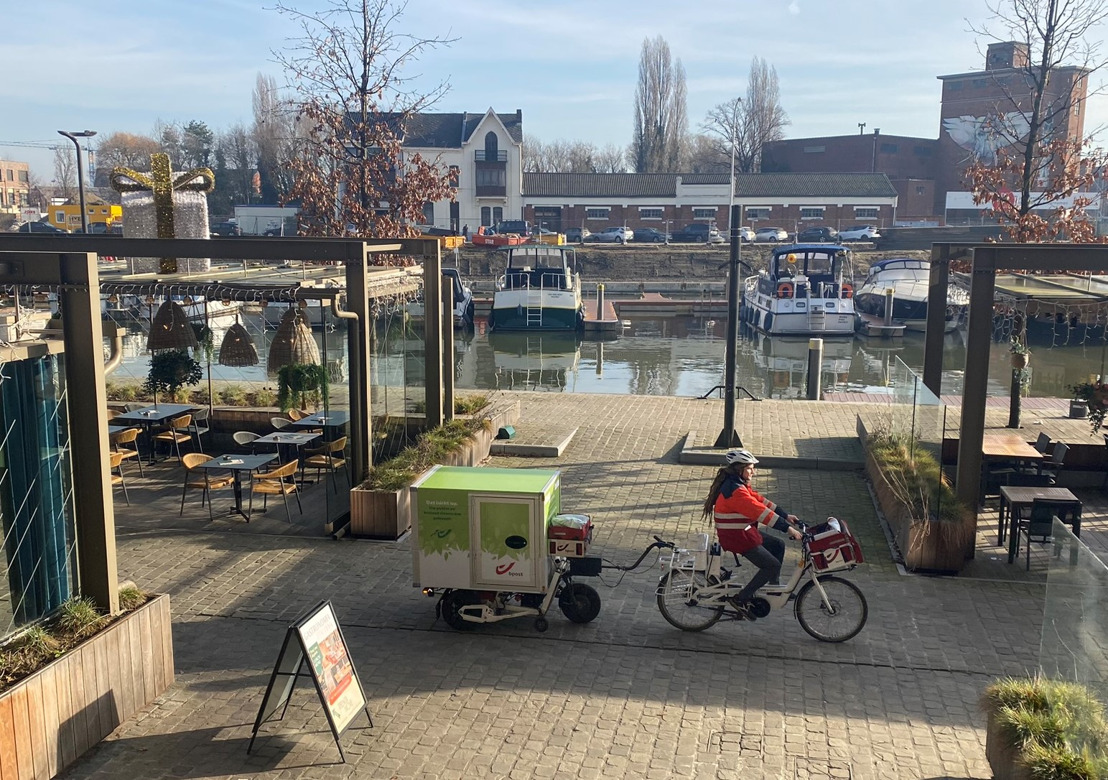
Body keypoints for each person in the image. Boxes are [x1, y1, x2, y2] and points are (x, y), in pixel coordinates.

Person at [702, 448, 802, 619]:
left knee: (778, 545)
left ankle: (773, 589)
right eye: (750, 468)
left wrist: (785, 516)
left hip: (744, 531)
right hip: (737, 537)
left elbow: (760, 501)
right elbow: (760, 513)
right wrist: (788, 528)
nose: (753, 472)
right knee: (771, 565)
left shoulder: (738, 485)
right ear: (739, 469)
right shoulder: (737, 492)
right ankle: (742, 598)